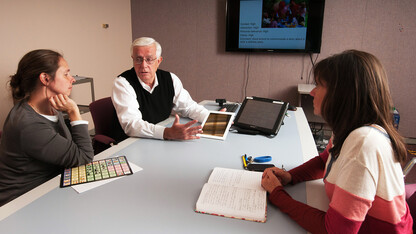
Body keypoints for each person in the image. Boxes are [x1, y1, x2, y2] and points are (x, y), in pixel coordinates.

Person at [261, 50, 413, 233]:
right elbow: (324, 160)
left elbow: (335, 231)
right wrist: (291, 176)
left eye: (319, 85)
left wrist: (277, 194)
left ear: (342, 94)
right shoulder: (351, 128)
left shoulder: (363, 143)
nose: (312, 92)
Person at [0, 49, 94, 206]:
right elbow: (83, 158)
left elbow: (73, 151)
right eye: (65, 74)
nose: (72, 79)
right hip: (21, 203)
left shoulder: (51, 107)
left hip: (50, 187)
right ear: (45, 78)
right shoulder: (28, 125)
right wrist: (74, 112)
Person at [112, 37, 210, 140]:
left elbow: (189, 107)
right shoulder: (122, 83)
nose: (143, 65)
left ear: (158, 61)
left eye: (149, 59)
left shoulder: (170, 79)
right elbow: (132, 125)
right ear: (133, 59)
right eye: (138, 59)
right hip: (131, 141)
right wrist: (167, 133)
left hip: (159, 137)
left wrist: (215, 120)